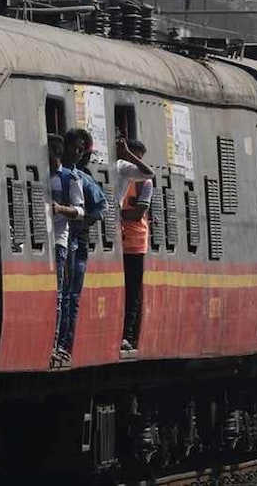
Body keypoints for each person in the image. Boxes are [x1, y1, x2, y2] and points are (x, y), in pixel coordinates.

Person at [54, 128, 92, 365]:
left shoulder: (79, 177)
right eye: (74, 148)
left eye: (81, 150)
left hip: (70, 241)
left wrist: (63, 212)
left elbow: (92, 209)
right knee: (63, 295)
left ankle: (63, 343)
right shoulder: (53, 174)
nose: (76, 153)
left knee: (67, 295)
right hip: (58, 240)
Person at [48, 134, 84, 367]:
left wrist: (60, 208)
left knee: (59, 295)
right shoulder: (42, 175)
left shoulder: (69, 178)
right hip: (42, 239)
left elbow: (80, 211)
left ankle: (55, 344)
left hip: (60, 241)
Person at [117, 136, 155, 352]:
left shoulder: (144, 182)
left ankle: (127, 335)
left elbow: (138, 213)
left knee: (132, 290)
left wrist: (116, 213)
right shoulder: (119, 174)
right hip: (118, 240)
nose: (135, 165)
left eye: (137, 160)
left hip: (135, 243)